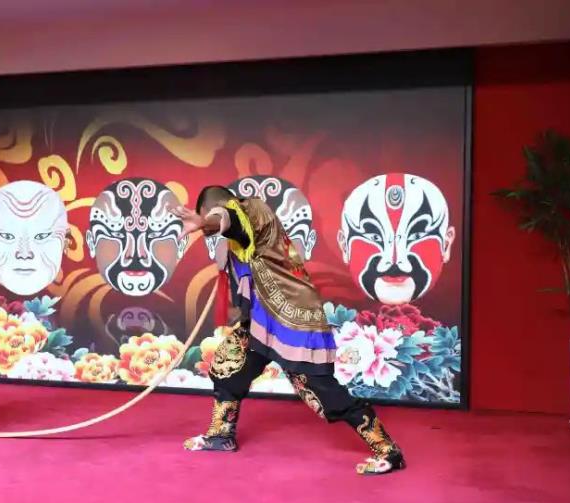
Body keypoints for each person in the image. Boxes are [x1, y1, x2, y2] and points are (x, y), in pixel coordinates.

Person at [173, 186, 406, 475]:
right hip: (261, 324)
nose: (205, 227)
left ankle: (388, 450)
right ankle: (221, 436)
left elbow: (227, 218)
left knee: (321, 393)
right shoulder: (235, 240)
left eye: (204, 217)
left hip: (292, 320)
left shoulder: (253, 211)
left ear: (212, 209)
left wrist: (206, 221)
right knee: (228, 365)